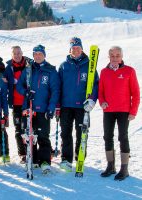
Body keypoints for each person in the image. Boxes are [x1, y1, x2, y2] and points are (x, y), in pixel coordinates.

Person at [98, 46, 140, 181]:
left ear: (121, 57)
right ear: (109, 57)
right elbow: (100, 92)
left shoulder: (129, 71)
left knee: (123, 137)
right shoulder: (104, 72)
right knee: (107, 137)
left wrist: (133, 111)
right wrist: (102, 102)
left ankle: (124, 168)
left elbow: (136, 93)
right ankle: (111, 166)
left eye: (117, 55)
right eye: (112, 56)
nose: (115, 58)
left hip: (124, 111)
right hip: (109, 110)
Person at [17, 45, 60, 173]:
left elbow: (55, 91)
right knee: (28, 135)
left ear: (44, 55)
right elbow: (19, 85)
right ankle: (33, 159)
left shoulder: (51, 70)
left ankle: (45, 161)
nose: (37, 56)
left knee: (42, 135)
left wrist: (51, 107)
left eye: (40, 54)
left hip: (43, 109)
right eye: (35, 54)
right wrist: (25, 92)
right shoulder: (29, 69)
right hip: (28, 108)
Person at [58, 37, 99, 172]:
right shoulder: (64, 66)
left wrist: (92, 99)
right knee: (66, 133)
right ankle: (66, 159)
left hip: (82, 106)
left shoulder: (89, 65)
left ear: (82, 49)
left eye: (78, 48)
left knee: (82, 132)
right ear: (70, 50)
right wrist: (58, 104)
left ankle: (80, 157)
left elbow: (95, 84)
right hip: (66, 105)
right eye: (73, 48)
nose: (76, 50)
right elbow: (58, 86)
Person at [3, 46, 29, 164]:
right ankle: (23, 153)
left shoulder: (29, 65)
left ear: (22, 53)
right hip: (16, 103)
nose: (17, 55)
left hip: (28, 102)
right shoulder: (9, 68)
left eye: (19, 53)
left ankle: (33, 150)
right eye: (15, 53)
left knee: (29, 128)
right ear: (12, 55)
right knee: (19, 129)